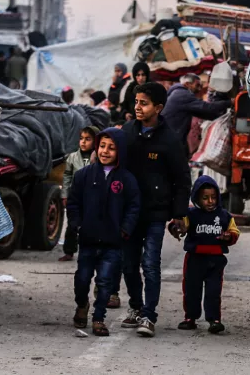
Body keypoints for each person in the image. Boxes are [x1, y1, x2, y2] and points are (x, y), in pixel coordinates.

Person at [117, 82, 191, 337]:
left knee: (150, 264)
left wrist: (180, 214)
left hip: (156, 214)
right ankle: (135, 307)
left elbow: (182, 179)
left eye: (144, 103)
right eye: (136, 102)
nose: (138, 107)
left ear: (158, 108)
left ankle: (149, 315)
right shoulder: (126, 133)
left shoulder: (170, 141)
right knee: (128, 264)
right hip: (129, 214)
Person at [67, 128, 140, 337]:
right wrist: (77, 225)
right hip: (88, 240)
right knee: (82, 279)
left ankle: (99, 318)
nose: (105, 151)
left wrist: (125, 230)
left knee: (105, 282)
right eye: (102, 146)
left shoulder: (126, 179)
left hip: (113, 243)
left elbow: (134, 207)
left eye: (111, 148)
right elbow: (73, 203)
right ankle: (82, 305)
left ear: (120, 151)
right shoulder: (84, 175)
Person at [170, 175, 239, 334]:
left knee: (213, 292)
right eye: (205, 198)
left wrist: (229, 236)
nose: (210, 201)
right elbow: (179, 224)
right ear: (197, 198)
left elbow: (234, 231)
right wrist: (177, 228)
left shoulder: (224, 216)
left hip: (216, 261)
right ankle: (190, 318)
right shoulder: (191, 214)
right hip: (195, 259)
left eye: (213, 197)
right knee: (191, 290)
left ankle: (214, 320)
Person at [162, 74, 232, 152]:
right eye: (197, 85)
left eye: (200, 86)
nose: (199, 89)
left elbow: (204, 113)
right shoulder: (182, 94)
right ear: (187, 84)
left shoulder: (176, 93)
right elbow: (207, 108)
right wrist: (229, 102)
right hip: (172, 140)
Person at [60, 125, 99, 262]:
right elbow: (67, 176)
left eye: (88, 139)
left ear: (95, 141)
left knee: (91, 224)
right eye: (81, 138)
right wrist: (65, 194)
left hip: (93, 196)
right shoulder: (72, 157)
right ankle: (69, 251)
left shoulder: (99, 157)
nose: (83, 142)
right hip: (76, 196)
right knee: (72, 224)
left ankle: (90, 251)